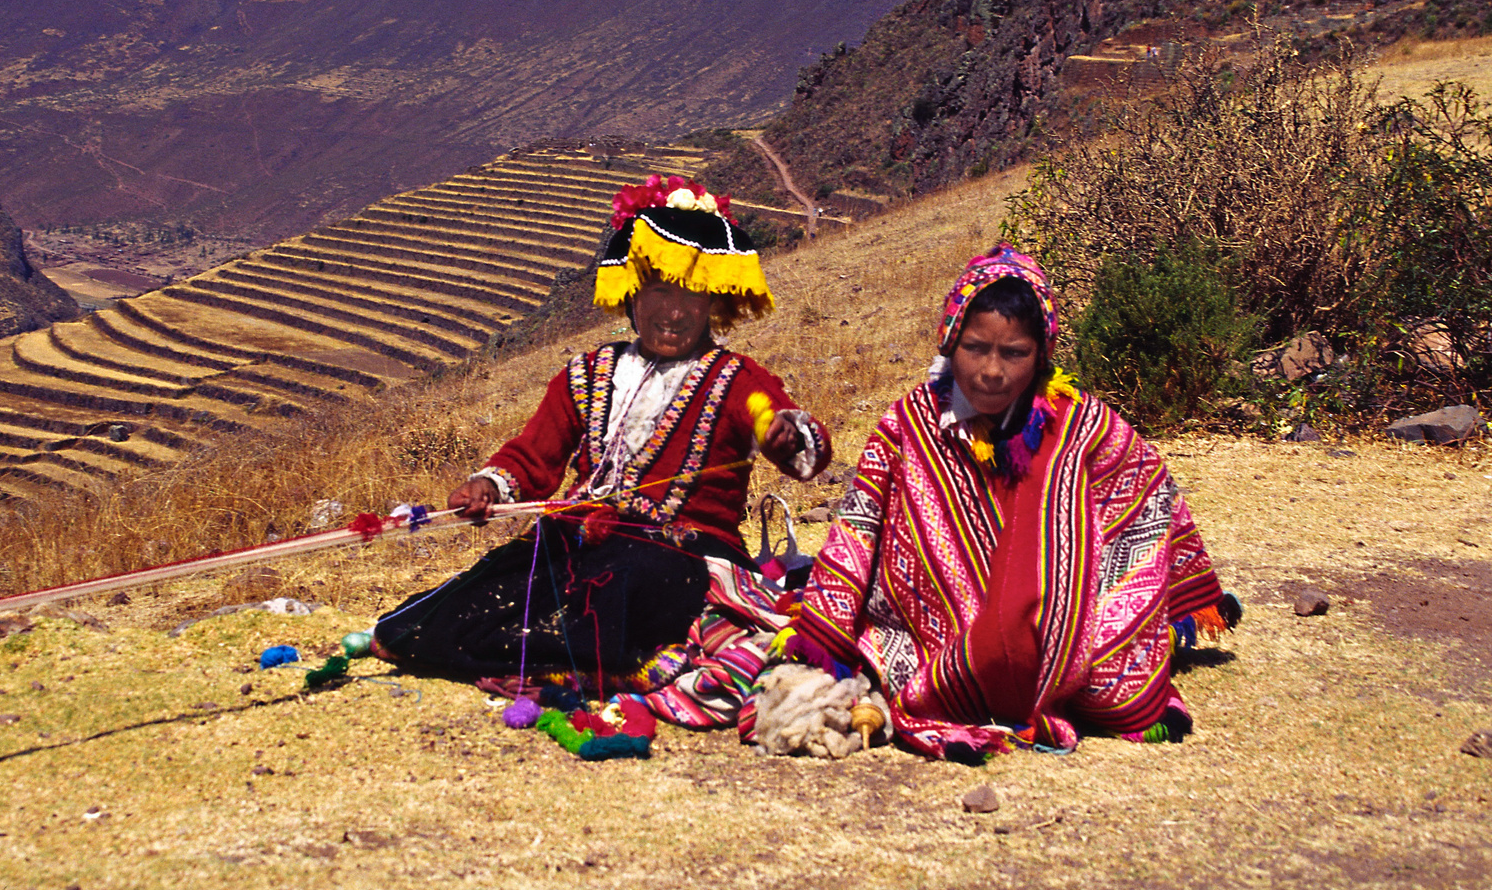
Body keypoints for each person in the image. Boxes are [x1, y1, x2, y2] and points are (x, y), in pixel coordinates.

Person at [372, 176, 830, 699]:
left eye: (690, 293)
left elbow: (798, 448)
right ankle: (543, 657)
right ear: (632, 293)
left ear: (715, 303)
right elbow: (533, 455)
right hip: (580, 540)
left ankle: (589, 665)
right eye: (659, 289)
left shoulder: (739, 380)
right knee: (434, 615)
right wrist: (489, 484)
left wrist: (786, 436)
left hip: (680, 556)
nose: (673, 310)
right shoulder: (588, 372)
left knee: (630, 577)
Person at [789, 243, 1238, 759]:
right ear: (949, 339)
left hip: (1064, 637)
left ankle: (1155, 637)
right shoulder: (908, 425)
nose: (993, 371)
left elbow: (1144, 492)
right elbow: (857, 529)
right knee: (887, 664)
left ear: (1041, 353)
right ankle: (975, 673)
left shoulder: (1081, 426)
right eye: (975, 347)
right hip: (927, 637)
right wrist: (825, 630)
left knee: (1121, 690)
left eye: (1015, 353)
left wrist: (1158, 599)